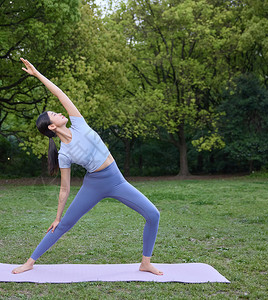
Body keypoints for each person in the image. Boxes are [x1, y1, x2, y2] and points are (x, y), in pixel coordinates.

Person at [12, 58, 162, 276]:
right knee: (64, 225)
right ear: (52, 126)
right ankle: (30, 261)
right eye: (55, 114)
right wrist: (56, 216)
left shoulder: (79, 123)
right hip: (94, 184)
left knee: (153, 214)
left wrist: (37, 75)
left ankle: (145, 263)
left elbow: (59, 93)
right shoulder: (64, 153)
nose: (60, 112)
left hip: (116, 179)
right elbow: (65, 189)